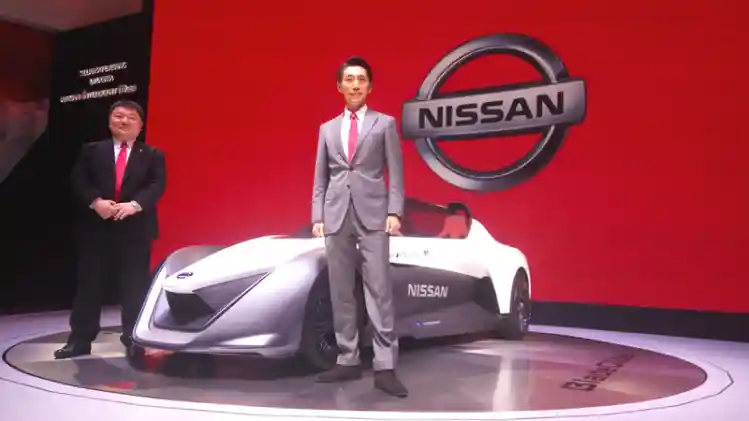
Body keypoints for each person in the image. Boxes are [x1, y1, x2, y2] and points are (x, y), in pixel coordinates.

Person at [310, 57, 407, 397]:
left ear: (370, 86)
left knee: (379, 291)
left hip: (374, 214)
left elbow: (396, 171)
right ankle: (347, 358)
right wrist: (317, 216)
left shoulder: (385, 124)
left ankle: (385, 366)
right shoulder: (326, 129)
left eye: (361, 79)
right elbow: (320, 177)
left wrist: (395, 211)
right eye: (349, 79)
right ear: (339, 86)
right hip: (336, 214)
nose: (355, 85)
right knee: (340, 291)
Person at [54, 99, 166, 362]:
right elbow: (79, 180)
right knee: (88, 286)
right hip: (97, 229)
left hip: (135, 231)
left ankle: (134, 339)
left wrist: (134, 205)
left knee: (134, 288)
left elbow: (157, 185)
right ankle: (80, 340)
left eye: (131, 117)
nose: (124, 121)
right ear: (109, 120)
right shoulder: (92, 150)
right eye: (118, 116)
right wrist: (96, 202)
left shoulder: (152, 154)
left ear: (140, 126)